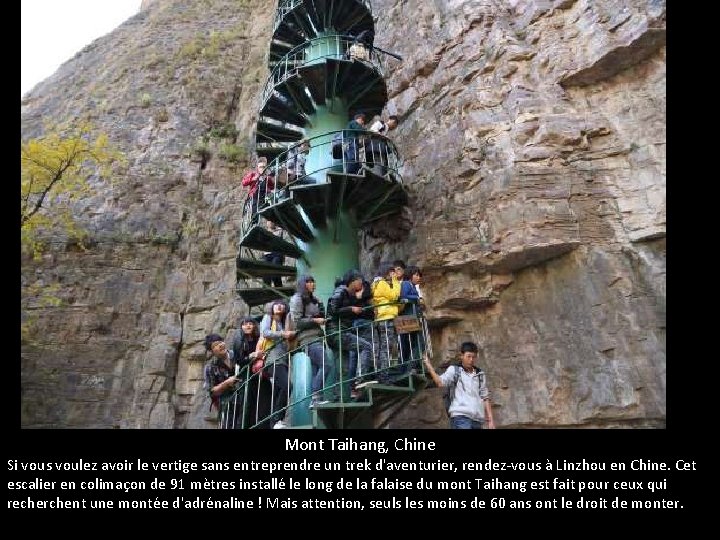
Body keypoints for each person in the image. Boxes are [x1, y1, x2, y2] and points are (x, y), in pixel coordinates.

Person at [422, 342, 496, 430]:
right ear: (461, 356)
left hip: (477, 419)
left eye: (473, 357)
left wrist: (491, 420)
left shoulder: (480, 374)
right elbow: (440, 383)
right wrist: (428, 365)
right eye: (468, 356)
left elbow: (485, 397)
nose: (471, 359)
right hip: (460, 416)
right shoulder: (454, 370)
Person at [326, 269, 375, 400]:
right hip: (337, 332)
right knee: (366, 346)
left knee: (343, 368)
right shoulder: (341, 291)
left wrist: (356, 303)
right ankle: (360, 380)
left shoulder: (349, 295)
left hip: (337, 333)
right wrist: (351, 309)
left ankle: (338, 397)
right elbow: (332, 309)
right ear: (353, 281)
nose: (362, 284)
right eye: (360, 281)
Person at [289, 275, 336, 407]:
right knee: (326, 365)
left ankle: (317, 400)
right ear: (302, 284)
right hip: (308, 339)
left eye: (313, 281)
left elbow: (321, 316)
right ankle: (315, 395)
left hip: (318, 337)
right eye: (308, 282)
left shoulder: (313, 299)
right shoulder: (297, 299)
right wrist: (315, 320)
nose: (312, 284)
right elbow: (297, 322)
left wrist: (320, 305)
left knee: (316, 370)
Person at [259, 300, 296, 429]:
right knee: (288, 386)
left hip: (283, 360)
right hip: (273, 359)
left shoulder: (284, 322)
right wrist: (284, 334)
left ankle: (274, 423)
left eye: (282, 304)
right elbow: (265, 332)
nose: (279, 306)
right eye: (276, 304)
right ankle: (277, 419)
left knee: (278, 392)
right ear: (272, 307)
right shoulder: (268, 318)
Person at [231, 317, 272, 428]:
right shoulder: (239, 341)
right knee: (247, 404)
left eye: (250, 323)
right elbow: (239, 361)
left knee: (265, 401)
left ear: (254, 326)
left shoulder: (259, 338)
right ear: (241, 327)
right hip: (247, 375)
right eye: (245, 324)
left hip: (261, 373)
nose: (248, 326)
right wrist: (252, 355)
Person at [371, 262, 403, 383]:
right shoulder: (382, 283)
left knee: (383, 348)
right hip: (386, 318)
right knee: (386, 348)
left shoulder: (376, 283)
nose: (392, 274)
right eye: (391, 272)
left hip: (382, 318)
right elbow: (394, 295)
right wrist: (395, 281)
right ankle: (383, 375)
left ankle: (381, 373)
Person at [203, 334, 240, 428]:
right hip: (226, 404)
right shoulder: (210, 367)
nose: (220, 345)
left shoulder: (237, 354)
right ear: (211, 351)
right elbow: (211, 391)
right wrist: (226, 383)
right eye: (215, 345)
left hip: (245, 396)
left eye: (220, 342)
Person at [241, 157, 275, 226]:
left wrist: (272, 180)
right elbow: (244, 182)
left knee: (272, 200)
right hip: (255, 195)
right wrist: (253, 179)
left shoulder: (267, 177)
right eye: (260, 167)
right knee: (254, 209)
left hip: (264, 196)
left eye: (264, 167)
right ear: (257, 167)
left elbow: (272, 186)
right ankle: (254, 223)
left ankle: (272, 223)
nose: (262, 168)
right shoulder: (253, 174)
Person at [262, 221, 284, 288]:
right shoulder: (263, 232)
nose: (271, 222)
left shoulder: (280, 230)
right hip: (267, 254)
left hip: (276, 254)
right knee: (266, 274)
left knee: (275, 273)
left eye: (272, 221)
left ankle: (279, 290)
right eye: (268, 221)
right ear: (266, 223)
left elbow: (280, 243)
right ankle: (266, 292)